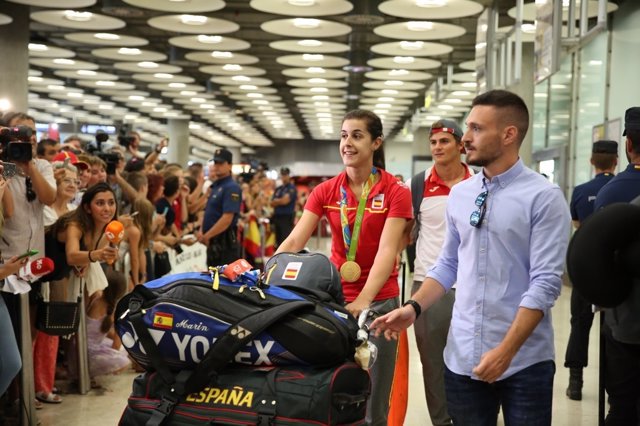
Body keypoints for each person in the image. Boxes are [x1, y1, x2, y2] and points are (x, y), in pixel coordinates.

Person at [371, 90, 571, 426]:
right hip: (462, 360)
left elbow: (545, 284)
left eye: (477, 129)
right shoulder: (463, 195)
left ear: (508, 135)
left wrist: (505, 352)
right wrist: (413, 307)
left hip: (523, 363)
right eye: (468, 127)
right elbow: (448, 264)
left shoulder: (543, 197)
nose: (465, 138)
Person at [277, 109, 412, 425]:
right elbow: (295, 240)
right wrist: (268, 273)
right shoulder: (325, 191)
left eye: (357, 135)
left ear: (376, 142)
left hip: (380, 304)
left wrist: (365, 298)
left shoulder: (394, 191)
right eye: (343, 135)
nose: (347, 143)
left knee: (375, 402)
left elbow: (387, 250)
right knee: (330, 390)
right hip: (334, 303)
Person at [405, 119, 473, 426]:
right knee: (432, 362)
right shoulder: (417, 185)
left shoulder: (478, 182)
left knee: (470, 359)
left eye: (444, 141)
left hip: (472, 283)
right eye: (433, 143)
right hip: (428, 283)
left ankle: (470, 416)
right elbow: (404, 232)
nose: (437, 148)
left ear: (460, 145)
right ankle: (442, 422)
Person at [593, 106, 640, 425]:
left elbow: (600, 259)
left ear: (628, 145)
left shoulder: (611, 193)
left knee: (622, 405)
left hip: (627, 319)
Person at [564, 139, 617, 401]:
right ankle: (612, 386)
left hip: (586, 265)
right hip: (615, 268)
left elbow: (576, 223)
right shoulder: (618, 188)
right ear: (616, 160)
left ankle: (575, 383)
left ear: (591, 161)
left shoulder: (581, 191)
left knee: (580, 323)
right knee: (613, 327)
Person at [198, 148, 242, 266]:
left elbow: (227, 218)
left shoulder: (231, 187)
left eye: (221, 163)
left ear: (229, 165)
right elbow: (209, 211)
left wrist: (207, 235)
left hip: (224, 243)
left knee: (222, 280)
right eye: (215, 163)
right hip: (214, 241)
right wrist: (202, 231)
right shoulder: (215, 186)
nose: (217, 166)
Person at [270, 167, 297, 247]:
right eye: (282, 175)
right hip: (277, 217)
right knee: (277, 241)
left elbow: (285, 201)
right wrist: (280, 201)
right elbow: (271, 203)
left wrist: (277, 201)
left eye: (285, 175)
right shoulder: (278, 189)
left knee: (285, 241)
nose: (284, 177)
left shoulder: (291, 188)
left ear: (288, 176)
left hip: (286, 218)